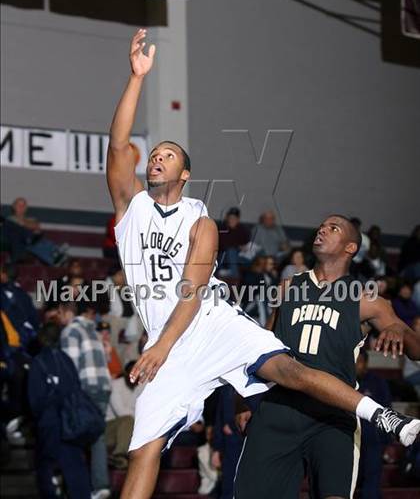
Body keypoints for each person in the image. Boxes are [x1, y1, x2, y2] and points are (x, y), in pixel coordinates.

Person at [107, 31, 419, 499]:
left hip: (206, 323)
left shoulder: (201, 220)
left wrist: (161, 347)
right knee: (142, 451)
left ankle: (384, 416)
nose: (156, 159)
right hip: (164, 340)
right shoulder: (130, 208)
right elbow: (117, 148)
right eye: (153, 155)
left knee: (288, 370)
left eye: (167, 155)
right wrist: (136, 78)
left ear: (185, 174)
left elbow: (191, 293)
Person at [234, 215, 420, 499]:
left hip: (333, 416)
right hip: (279, 408)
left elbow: (415, 348)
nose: (322, 229)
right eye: (321, 225)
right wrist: (242, 399)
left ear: (351, 247)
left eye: (334, 228)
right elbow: (260, 347)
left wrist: (397, 328)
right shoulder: (287, 288)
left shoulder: (367, 300)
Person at [27, 323, 91, 499]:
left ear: (41, 339)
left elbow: (35, 400)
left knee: (45, 466)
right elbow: (77, 388)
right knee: (76, 468)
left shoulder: (38, 362)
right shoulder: (66, 360)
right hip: (71, 422)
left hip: (49, 424)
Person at [59, 298, 112, 499]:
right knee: (97, 437)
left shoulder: (71, 331)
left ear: (67, 312)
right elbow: (106, 358)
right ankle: (100, 485)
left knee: (74, 435)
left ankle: (76, 488)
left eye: (60, 312)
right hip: (104, 387)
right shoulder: (94, 330)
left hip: (85, 388)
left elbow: (69, 367)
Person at [356, 350, 392, 499]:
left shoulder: (377, 382)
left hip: (371, 440)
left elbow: (387, 412)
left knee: (371, 481)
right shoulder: (342, 381)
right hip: (348, 438)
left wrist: (386, 440)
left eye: (359, 361)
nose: (355, 365)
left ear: (365, 363)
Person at [106, 361, 137, 469]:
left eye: (139, 372)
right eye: (132, 372)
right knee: (127, 420)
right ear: (125, 373)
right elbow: (121, 412)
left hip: (129, 428)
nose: (135, 375)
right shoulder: (114, 385)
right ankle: (119, 455)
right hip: (109, 427)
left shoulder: (141, 386)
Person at [217, 207, 250, 279]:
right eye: (230, 218)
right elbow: (221, 244)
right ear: (227, 218)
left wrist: (242, 247)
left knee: (245, 260)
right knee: (231, 251)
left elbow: (246, 245)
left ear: (238, 220)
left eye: (234, 219)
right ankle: (234, 273)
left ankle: (229, 271)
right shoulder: (222, 228)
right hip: (223, 254)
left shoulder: (242, 229)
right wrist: (236, 246)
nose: (232, 220)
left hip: (239, 256)